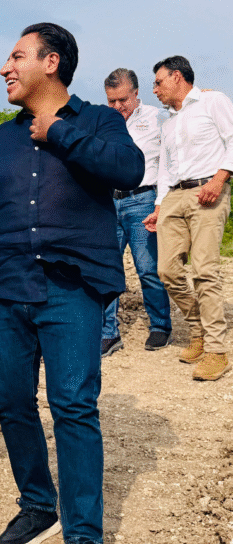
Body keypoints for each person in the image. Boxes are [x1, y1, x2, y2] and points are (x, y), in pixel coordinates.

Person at [0, 23, 144, 544]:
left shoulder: (100, 122)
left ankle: (83, 532)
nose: (4, 68)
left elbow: (129, 169)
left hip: (72, 287)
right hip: (9, 287)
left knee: (73, 406)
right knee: (11, 401)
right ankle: (39, 504)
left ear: (51, 62)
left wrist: (59, 132)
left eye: (16, 57)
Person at [143, 56, 233, 381]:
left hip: (208, 191)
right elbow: (166, 169)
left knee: (204, 270)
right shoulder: (167, 122)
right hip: (174, 196)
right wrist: (158, 205)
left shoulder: (213, 101)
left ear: (177, 77)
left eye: (158, 82)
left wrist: (219, 179)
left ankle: (218, 351)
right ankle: (199, 332)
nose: (154, 89)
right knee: (166, 269)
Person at [100, 68, 173, 357]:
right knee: (106, 268)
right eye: (111, 101)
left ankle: (160, 326)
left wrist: (161, 203)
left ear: (135, 93)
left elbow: (169, 161)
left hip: (143, 200)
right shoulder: (104, 122)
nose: (117, 106)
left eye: (122, 100)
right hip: (109, 202)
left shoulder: (158, 118)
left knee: (147, 268)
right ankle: (108, 333)